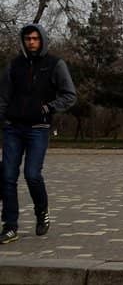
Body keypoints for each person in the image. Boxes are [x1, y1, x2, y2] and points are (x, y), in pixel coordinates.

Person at [0, 23, 77, 244]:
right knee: (7, 177)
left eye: (35, 38)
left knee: (32, 174)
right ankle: (10, 226)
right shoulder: (14, 66)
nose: (31, 42)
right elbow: (3, 97)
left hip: (38, 129)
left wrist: (48, 108)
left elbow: (69, 95)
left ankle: (41, 211)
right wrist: (3, 120)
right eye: (27, 39)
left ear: (41, 39)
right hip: (13, 128)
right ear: (23, 41)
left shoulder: (54, 64)